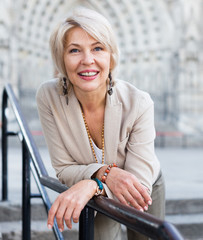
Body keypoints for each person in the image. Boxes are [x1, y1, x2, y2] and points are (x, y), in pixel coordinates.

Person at [36, 7, 165, 240]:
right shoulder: (49, 96)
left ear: (111, 56)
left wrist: (93, 184)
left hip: (142, 184)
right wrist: (104, 174)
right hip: (96, 188)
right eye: (74, 50)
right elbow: (64, 169)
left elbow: (140, 183)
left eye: (98, 48)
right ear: (61, 59)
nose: (88, 60)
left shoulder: (139, 102)